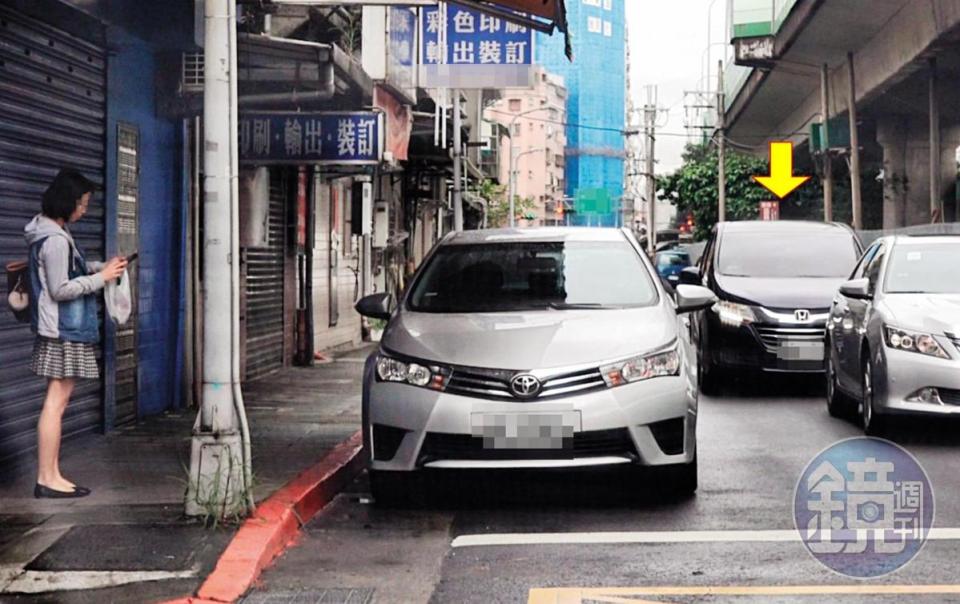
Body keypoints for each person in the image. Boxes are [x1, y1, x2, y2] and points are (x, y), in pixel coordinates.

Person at [23, 169, 127, 499]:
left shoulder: (54, 231)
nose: (84, 210)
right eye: (81, 204)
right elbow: (59, 289)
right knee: (56, 401)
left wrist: (98, 268)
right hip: (61, 329)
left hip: (62, 327)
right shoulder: (54, 239)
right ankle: (46, 478)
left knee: (59, 401)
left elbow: (67, 272)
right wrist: (102, 278)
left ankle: (51, 474)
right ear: (67, 202)